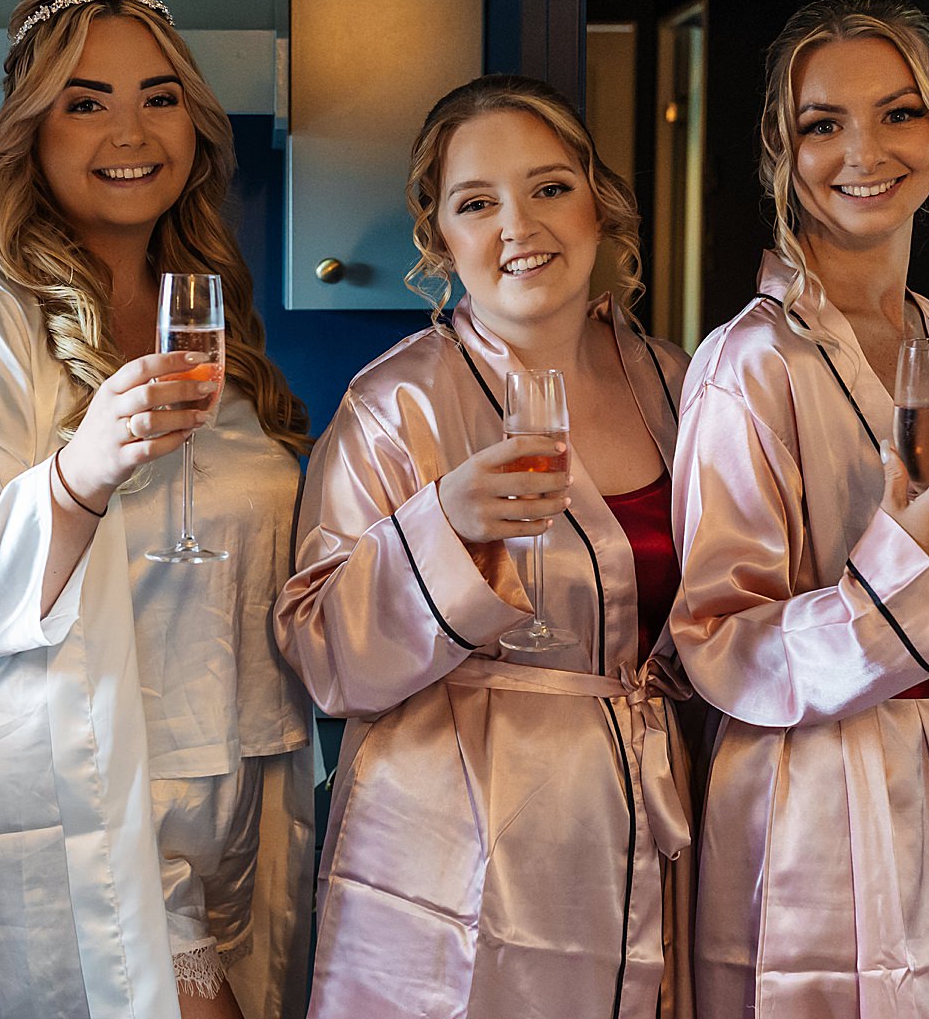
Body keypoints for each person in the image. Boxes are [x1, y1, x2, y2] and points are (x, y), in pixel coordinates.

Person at [0, 0, 315, 1019]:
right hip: (80, 794)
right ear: (32, 133)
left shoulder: (214, 329)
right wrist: (78, 477)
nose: (131, 128)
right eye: (86, 100)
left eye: (159, 96)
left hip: (244, 782)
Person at [670, 0, 929, 1015]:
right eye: (822, 122)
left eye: (898, 113)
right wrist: (895, 564)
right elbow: (720, 641)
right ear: (780, 149)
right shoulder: (746, 364)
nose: (865, 150)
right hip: (821, 803)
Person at [274, 74, 696, 1017]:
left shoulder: (678, 382)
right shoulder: (397, 405)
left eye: (549, 188)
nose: (520, 225)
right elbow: (318, 653)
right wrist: (446, 528)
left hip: (642, 811)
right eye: (478, 203)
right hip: (453, 843)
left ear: (600, 202)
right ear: (440, 237)